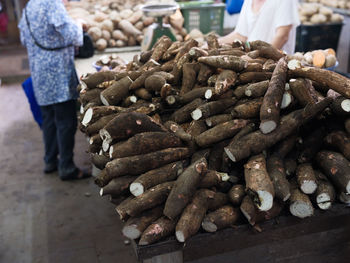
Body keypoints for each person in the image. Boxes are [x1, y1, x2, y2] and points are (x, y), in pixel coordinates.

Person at [18, 0, 90, 180]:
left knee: (49, 119)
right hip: (56, 72)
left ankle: (50, 161)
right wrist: (80, 24)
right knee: (66, 122)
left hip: (39, 73)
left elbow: (23, 39)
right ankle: (66, 167)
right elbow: (70, 32)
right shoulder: (51, 2)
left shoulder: (30, 6)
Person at [219, 0, 300, 54]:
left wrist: (258, 57)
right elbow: (240, 35)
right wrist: (213, 43)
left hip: (276, 66)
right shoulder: (249, 1)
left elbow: (282, 36)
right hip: (252, 63)